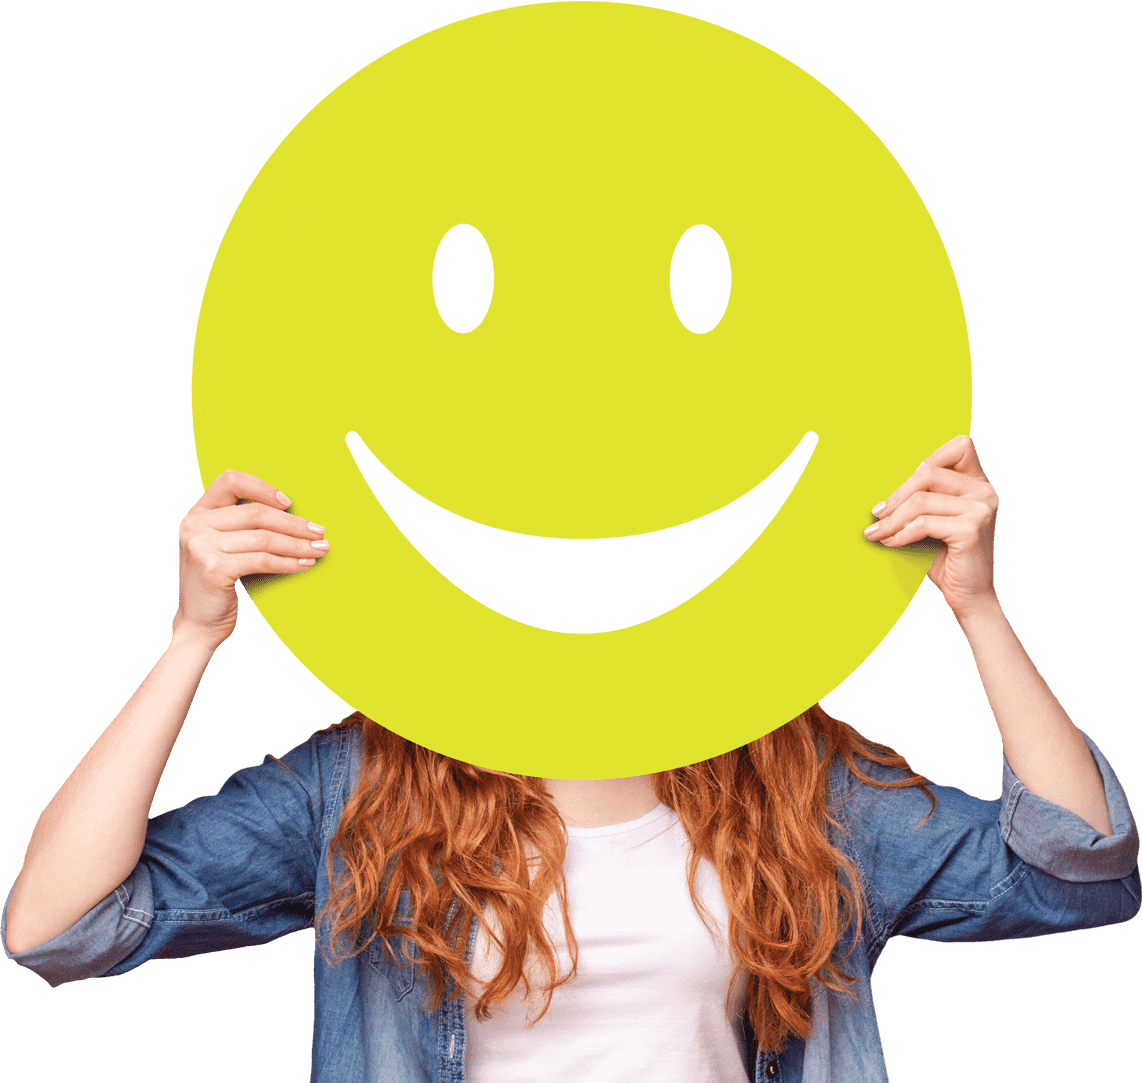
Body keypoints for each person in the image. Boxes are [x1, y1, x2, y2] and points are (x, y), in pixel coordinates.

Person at [3, 434, 1137, 1081]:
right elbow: (55, 928)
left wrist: (979, 609)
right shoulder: (361, 787)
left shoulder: (799, 783)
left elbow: (1074, 872)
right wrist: (193, 638)